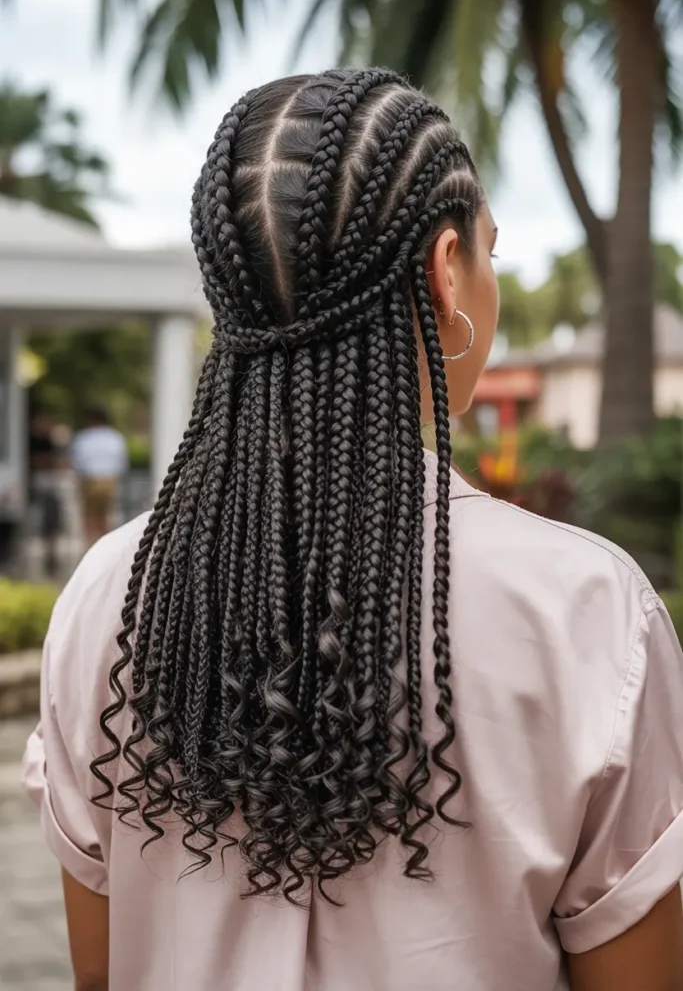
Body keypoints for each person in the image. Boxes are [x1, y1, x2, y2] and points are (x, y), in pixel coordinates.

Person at [21, 70, 683, 991]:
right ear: (445, 268)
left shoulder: (108, 592)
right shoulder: (586, 611)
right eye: (489, 253)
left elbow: (101, 974)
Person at [69, 407, 128, 548]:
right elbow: (122, 462)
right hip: (109, 480)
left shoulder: (83, 437)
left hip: (90, 480)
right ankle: (103, 544)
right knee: (106, 515)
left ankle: (90, 545)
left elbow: (77, 462)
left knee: (89, 516)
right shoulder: (116, 437)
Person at [28, 411, 62, 577]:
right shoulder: (31, 440)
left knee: (50, 521)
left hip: (46, 482)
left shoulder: (46, 441)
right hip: (36, 483)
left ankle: (51, 552)